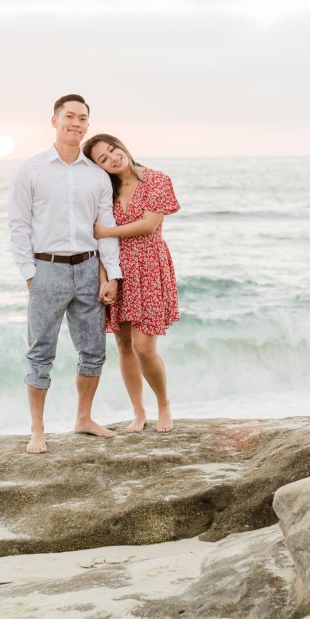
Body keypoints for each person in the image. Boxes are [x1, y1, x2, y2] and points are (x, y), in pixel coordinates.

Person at [9, 95, 122, 454]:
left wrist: (112, 276)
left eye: (82, 118)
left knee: (93, 351)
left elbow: (106, 227)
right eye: (69, 116)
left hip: (89, 268)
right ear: (54, 120)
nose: (76, 123)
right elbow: (18, 225)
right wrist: (30, 273)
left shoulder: (98, 176)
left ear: (87, 124)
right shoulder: (31, 169)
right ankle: (37, 430)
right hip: (47, 270)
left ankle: (84, 419)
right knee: (40, 352)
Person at [82, 133, 180, 433]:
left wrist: (107, 232)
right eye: (103, 158)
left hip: (149, 265)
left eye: (113, 149)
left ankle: (164, 405)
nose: (113, 157)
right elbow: (95, 239)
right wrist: (106, 277)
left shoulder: (156, 179)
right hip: (117, 268)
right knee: (123, 345)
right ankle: (138, 412)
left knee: (144, 346)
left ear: (121, 146)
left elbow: (150, 224)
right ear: (100, 168)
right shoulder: (105, 189)